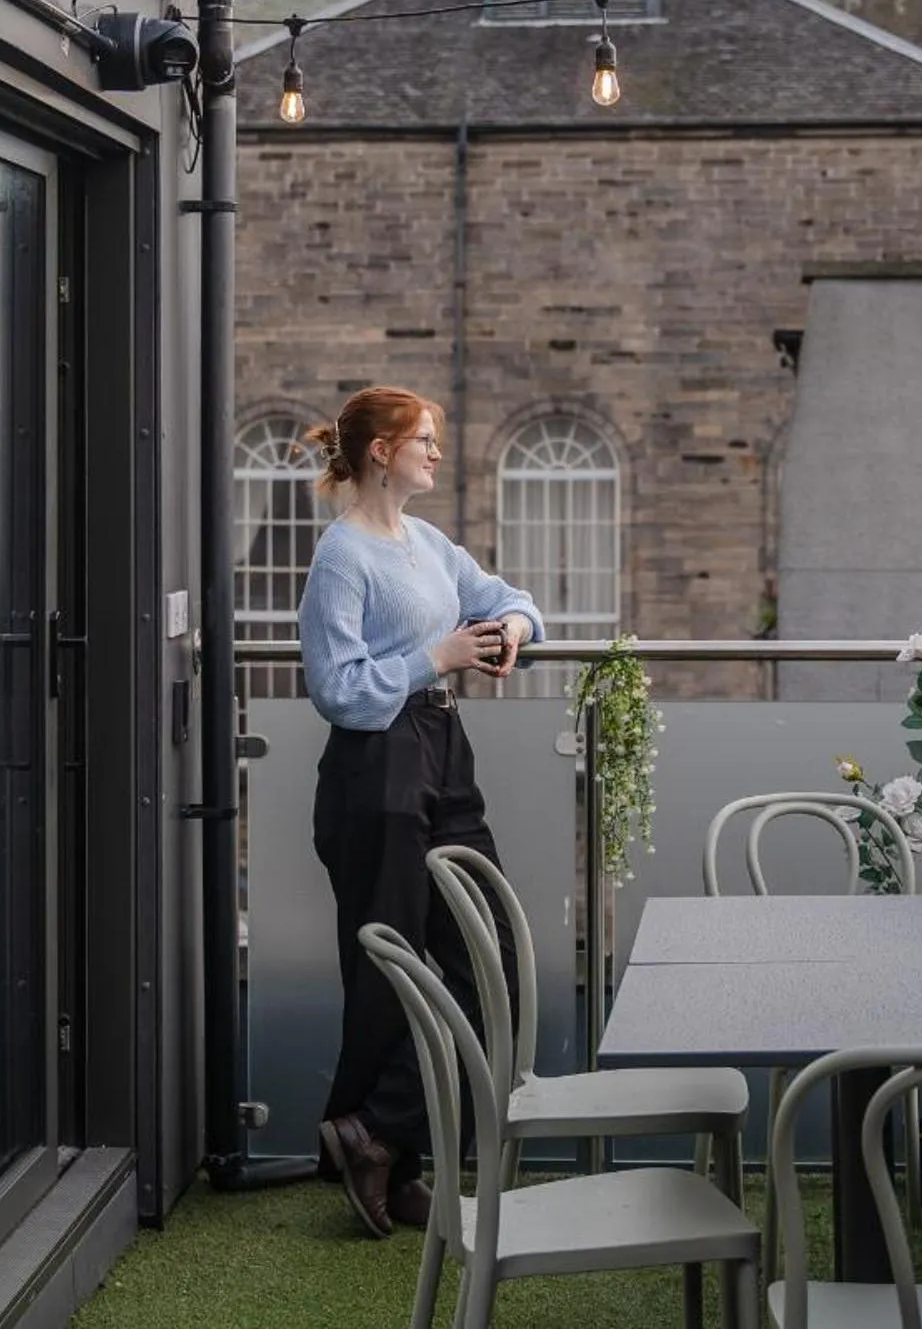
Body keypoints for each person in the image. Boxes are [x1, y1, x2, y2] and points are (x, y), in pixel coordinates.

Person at [297, 386, 540, 1239]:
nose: (436, 452)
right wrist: (431, 653)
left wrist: (508, 624)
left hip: (444, 750)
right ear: (378, 452)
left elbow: (510, 594)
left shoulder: (429, 543)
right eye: (424, 440)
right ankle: (394, 1161)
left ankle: (380, 1132)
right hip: (377, 766)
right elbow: (336, 689)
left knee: (492, 950)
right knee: (388, 968)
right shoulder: (342, 556)